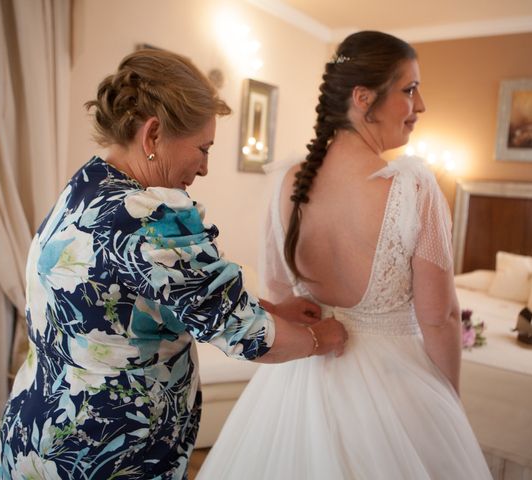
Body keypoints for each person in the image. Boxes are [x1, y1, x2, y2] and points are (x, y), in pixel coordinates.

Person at [0, 49, 347, 479]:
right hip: (109, 453)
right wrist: (320, 338)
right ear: (153, 134)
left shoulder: (86, 185)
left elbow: (167, 293)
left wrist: (273, 308)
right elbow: (248, 336)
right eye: (202, 148)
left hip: (35, 433)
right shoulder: (152, 214)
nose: (204, 166)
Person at [198, 31, 492, 479]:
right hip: (397, 389)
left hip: (298, 382)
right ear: (363, 97)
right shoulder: (414, 186)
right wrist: (447, 401)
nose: (421, 105)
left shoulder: (286, 182)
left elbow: (280, 293)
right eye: (410, 89)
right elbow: (440, 316)